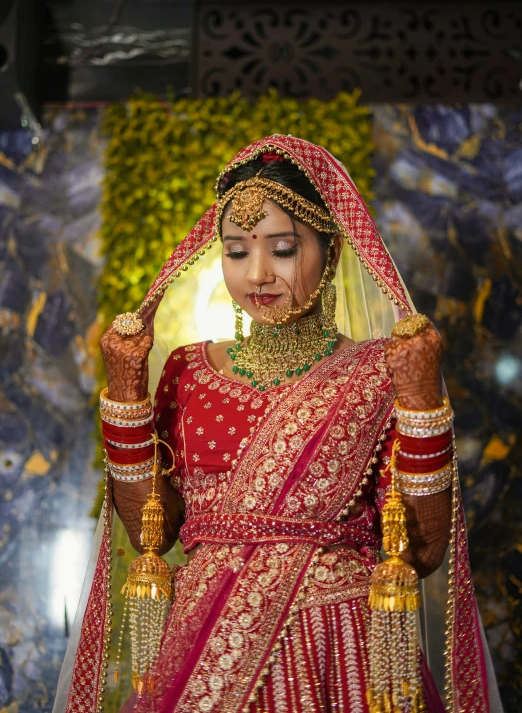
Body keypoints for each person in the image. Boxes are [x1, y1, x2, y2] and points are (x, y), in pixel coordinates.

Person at [54, 136, 501, 713]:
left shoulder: (376, 372)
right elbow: (151, 532)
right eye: (237, 251)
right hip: (205, 642)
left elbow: (421, 551)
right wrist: (125, 395)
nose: (257, 274)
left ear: (332, 253)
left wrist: (418, 401)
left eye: (283, 248)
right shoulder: (189, 369)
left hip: (334, 646)